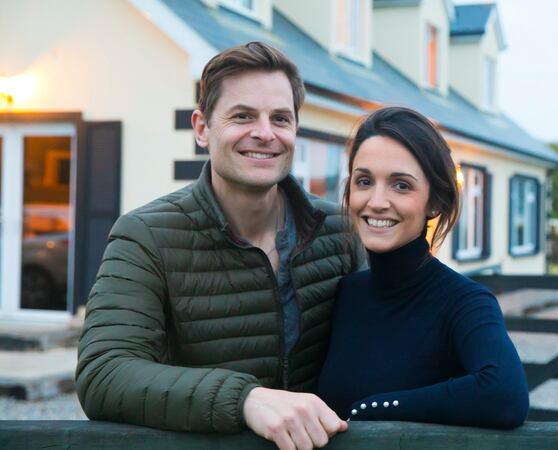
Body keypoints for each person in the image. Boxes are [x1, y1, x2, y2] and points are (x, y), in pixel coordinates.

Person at [76, 42, 364, 450]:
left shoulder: (339, 231)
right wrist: (244, 398)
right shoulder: (145, 235)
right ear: (201, 128)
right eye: (243, 115)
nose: (265, 133)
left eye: (280, 118)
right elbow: (104, 374)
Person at [317, 107, 529, 429]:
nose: (376, 201)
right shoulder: (347, 293)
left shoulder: (464, 302)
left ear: (435, 202)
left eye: (401, 185)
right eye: (364, 181)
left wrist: (371, 410)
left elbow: (504, 395)